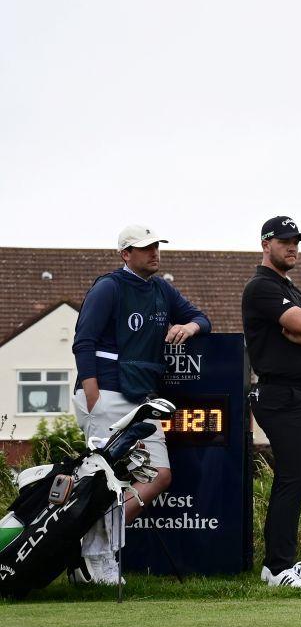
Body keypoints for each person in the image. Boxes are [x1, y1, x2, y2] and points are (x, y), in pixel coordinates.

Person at [71, 224, 211, 584]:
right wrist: (93, 397)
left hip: (140, 398)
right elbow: (83, 342)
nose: (154, 252)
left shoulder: (162, 289)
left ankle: (95, 550)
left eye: (156, 246)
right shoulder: (109, 287)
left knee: (159, 475)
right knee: (101, 483)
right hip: (104, 394)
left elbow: (202, 318)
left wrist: (190, 328)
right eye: (146, 247)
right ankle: (96, 560)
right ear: (125, 254)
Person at [241, 216, 301, 589]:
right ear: (266, 245)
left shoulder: (290, 288)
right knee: (292, 476)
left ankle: (279, 564)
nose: (292, 247)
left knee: (296, 477)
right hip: (280, 394)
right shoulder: (261, 287)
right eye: (285, 241)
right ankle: (278, 568)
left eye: (296, 241)